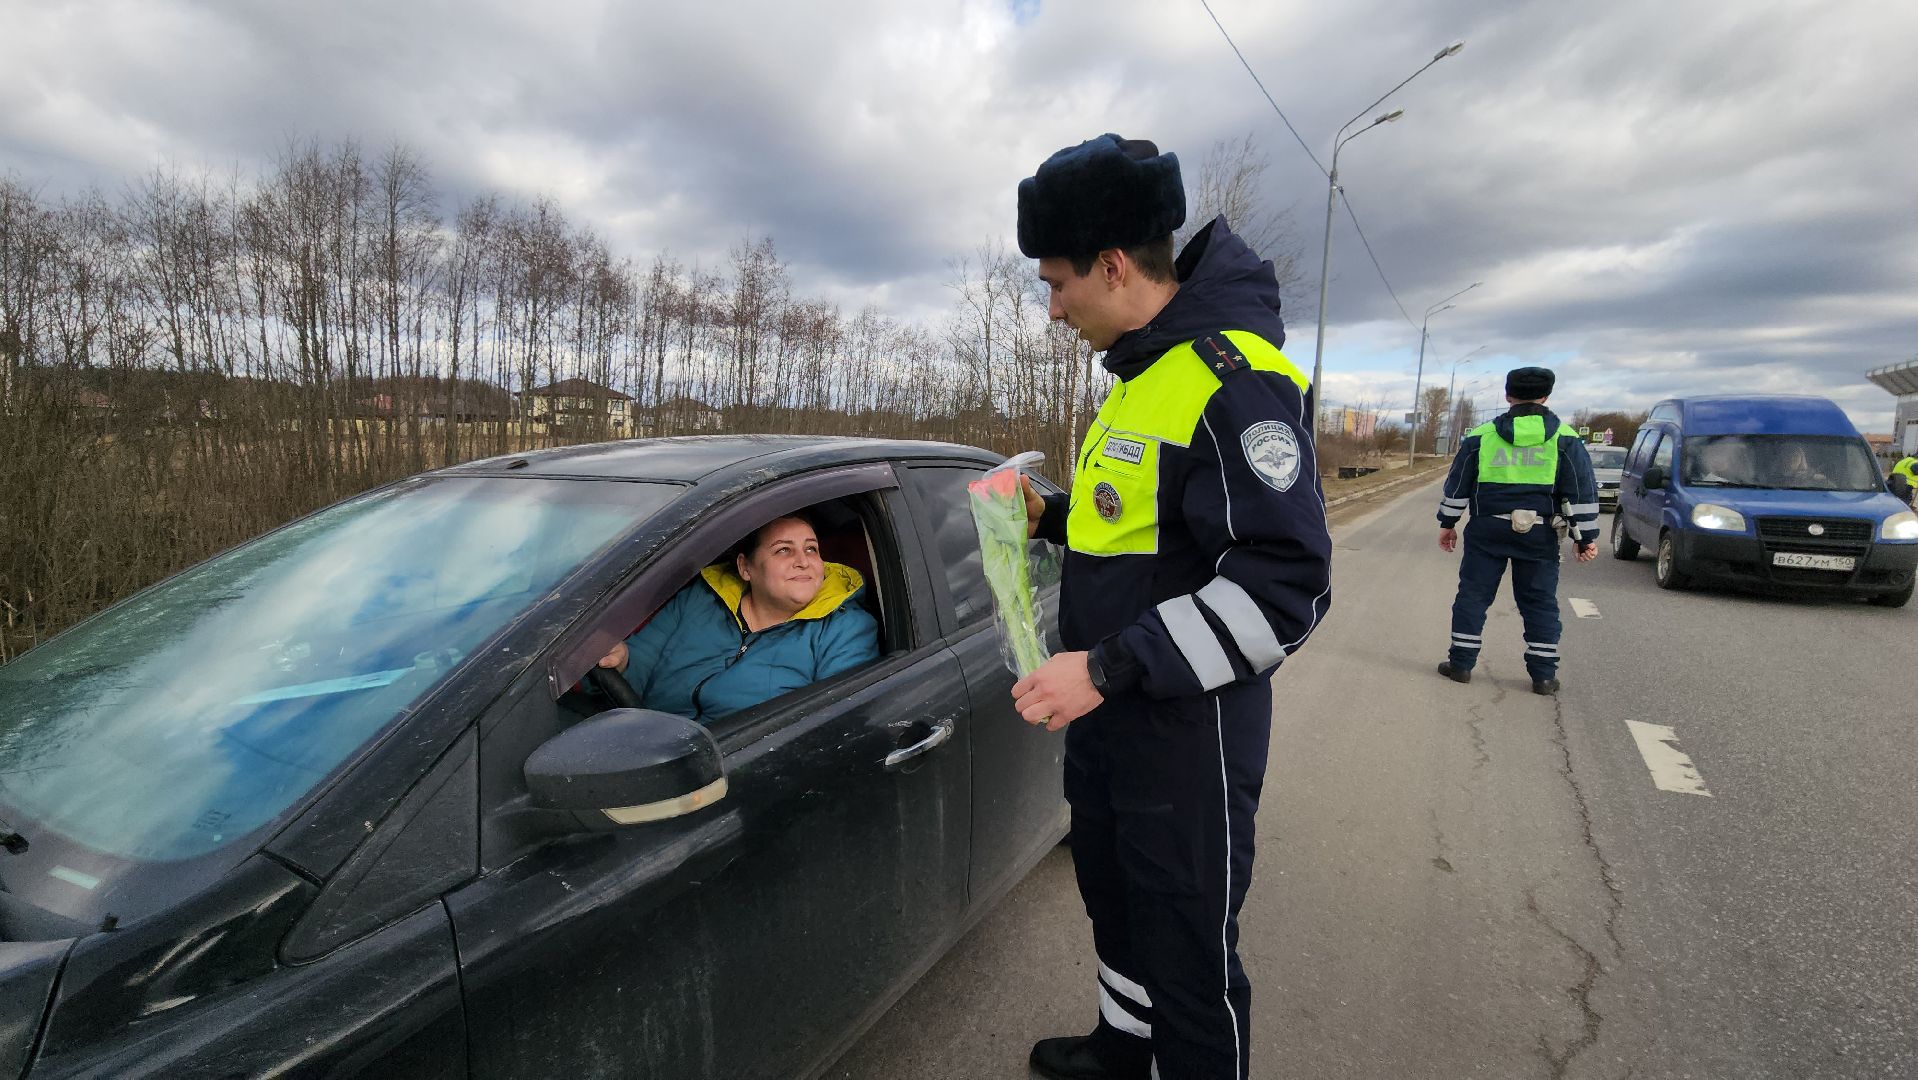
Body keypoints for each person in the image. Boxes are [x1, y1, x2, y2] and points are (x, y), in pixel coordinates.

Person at [1008, 133, 1333, 1080]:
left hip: (1189, 736)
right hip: (1111, 718)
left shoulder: (1233, 380)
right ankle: (1122, 1049)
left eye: (1057, 282)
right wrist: (1051, 516)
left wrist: (1106, 668)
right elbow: (1144, 532)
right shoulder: (1143, 373)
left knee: (1188, 950)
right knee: (1116, 903)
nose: (1054, 306)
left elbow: (1285, 586)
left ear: (1113, 265)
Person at [595, 514, 879, 722]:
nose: (803, 561)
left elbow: (834, 726)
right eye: (783, 549)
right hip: (644, 745)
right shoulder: (699, 600)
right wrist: (622, 662)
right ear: (746, 567)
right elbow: (641, 662)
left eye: (811, 549)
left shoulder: (846, 629)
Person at [1435, 367, 1599, 695]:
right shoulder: (1565, 438)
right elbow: (1580, 491)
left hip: (1487, 529)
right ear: (1546, 396)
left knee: (1473, 596)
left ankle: (1461, 665)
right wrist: (1586, 539)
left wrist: (1448, 523)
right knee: (1539, 601)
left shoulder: (1481, 436)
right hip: (1539, 532)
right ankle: (1543, 677)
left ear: (1508, 396)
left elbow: (1458, 484)